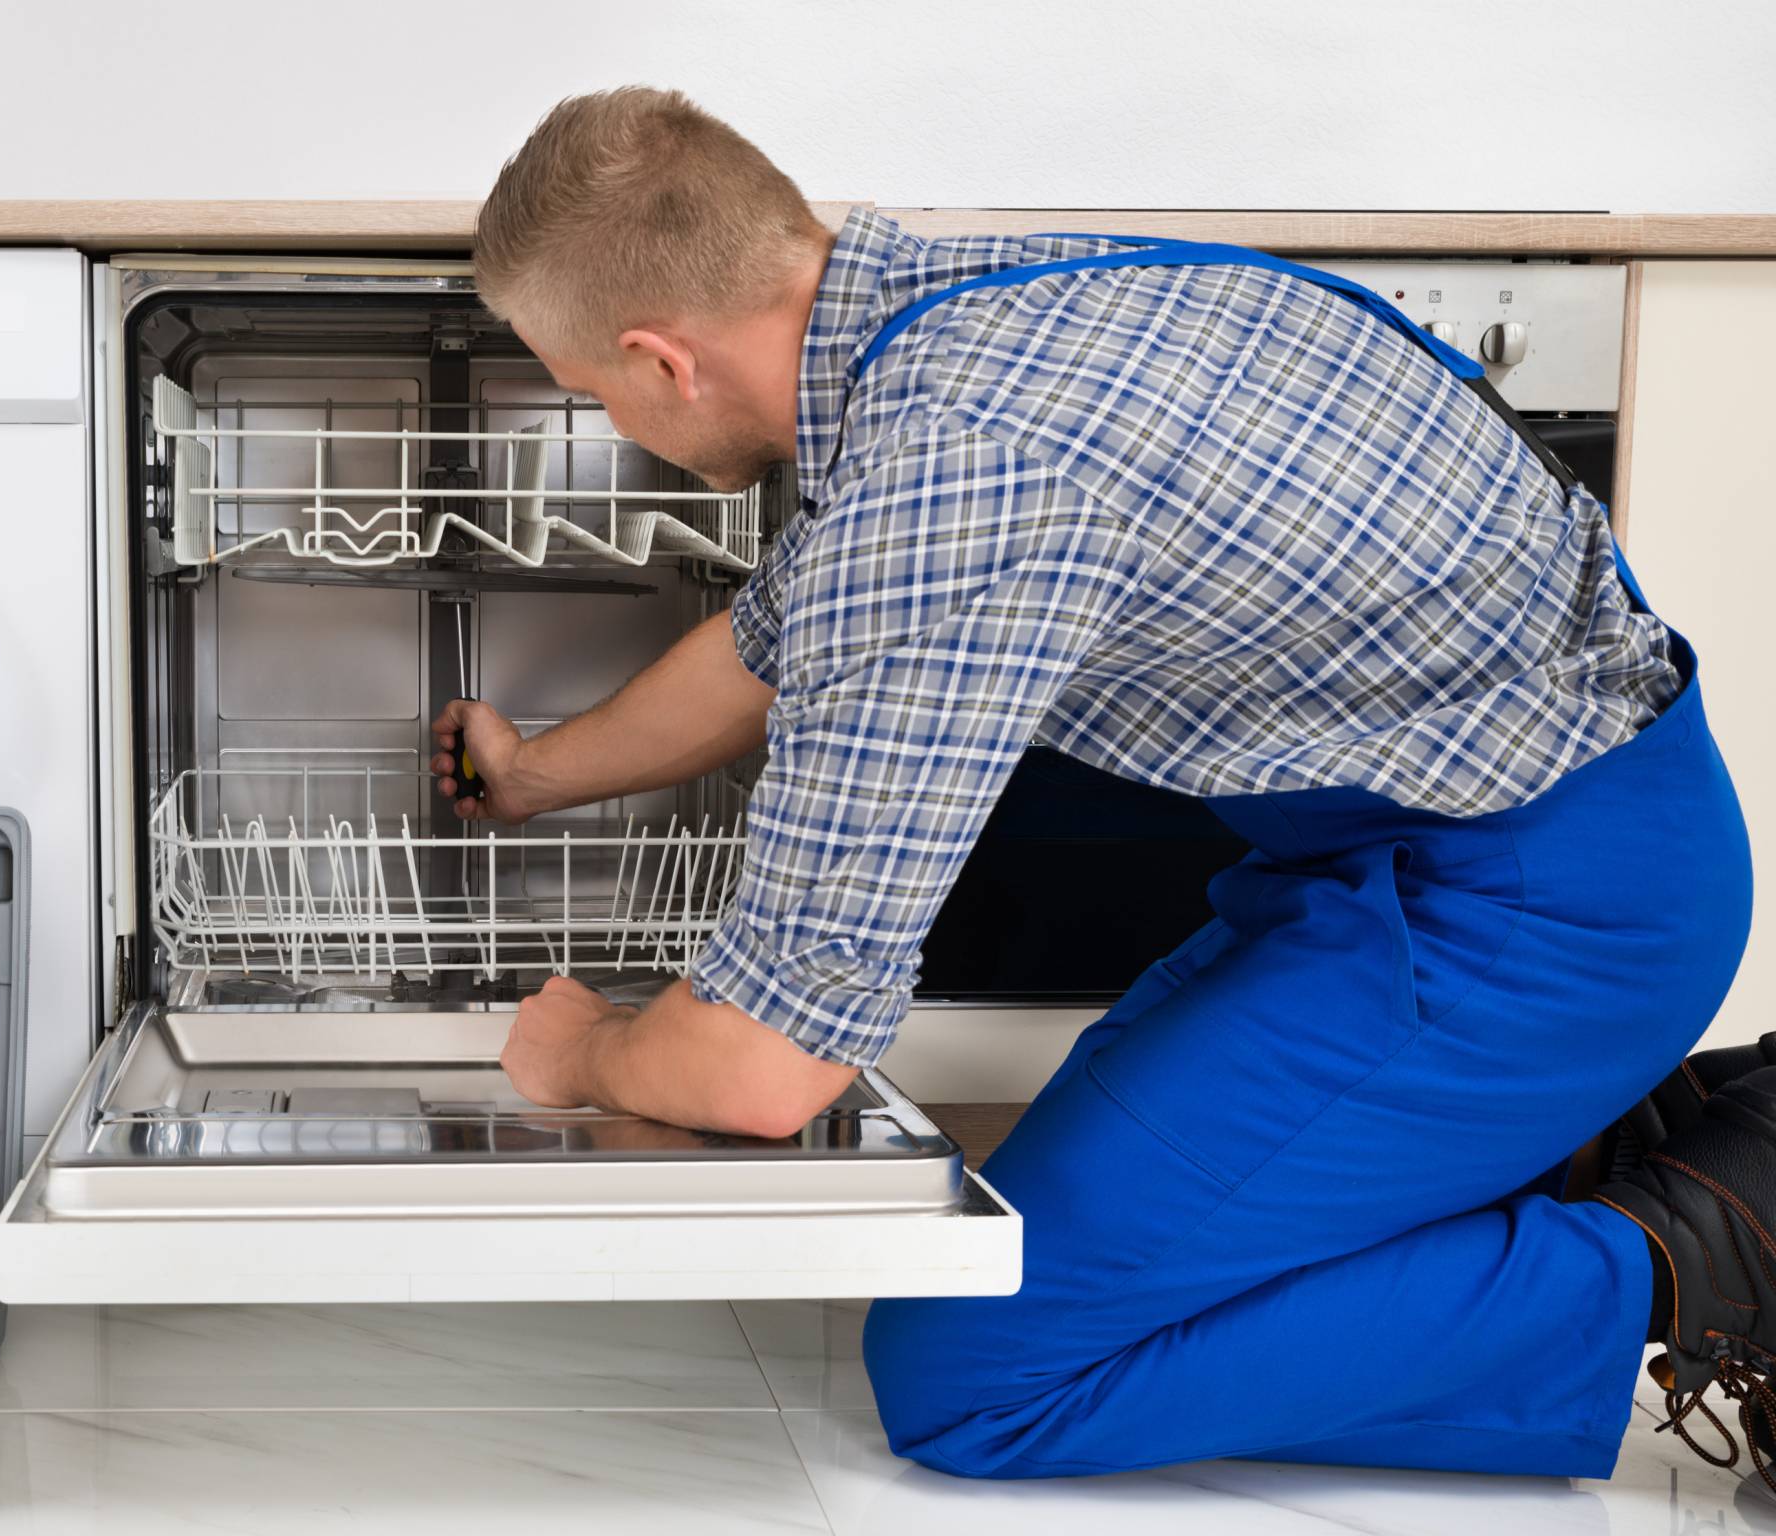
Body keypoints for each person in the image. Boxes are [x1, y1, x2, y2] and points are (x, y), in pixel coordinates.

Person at [438, 85, 1757, 1483]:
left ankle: (1702, 1250)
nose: (614, 419)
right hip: (1417, 864)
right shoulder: (967, 306)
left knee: (979, 1377)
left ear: (659, 362)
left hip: (1544, 921)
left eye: (590, 393)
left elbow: (766, 1073)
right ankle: (1584, 1143)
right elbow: (768, 645)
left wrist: (579, 1051)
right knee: (1104, 1259)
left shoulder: (952, 479)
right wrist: (532, 778)